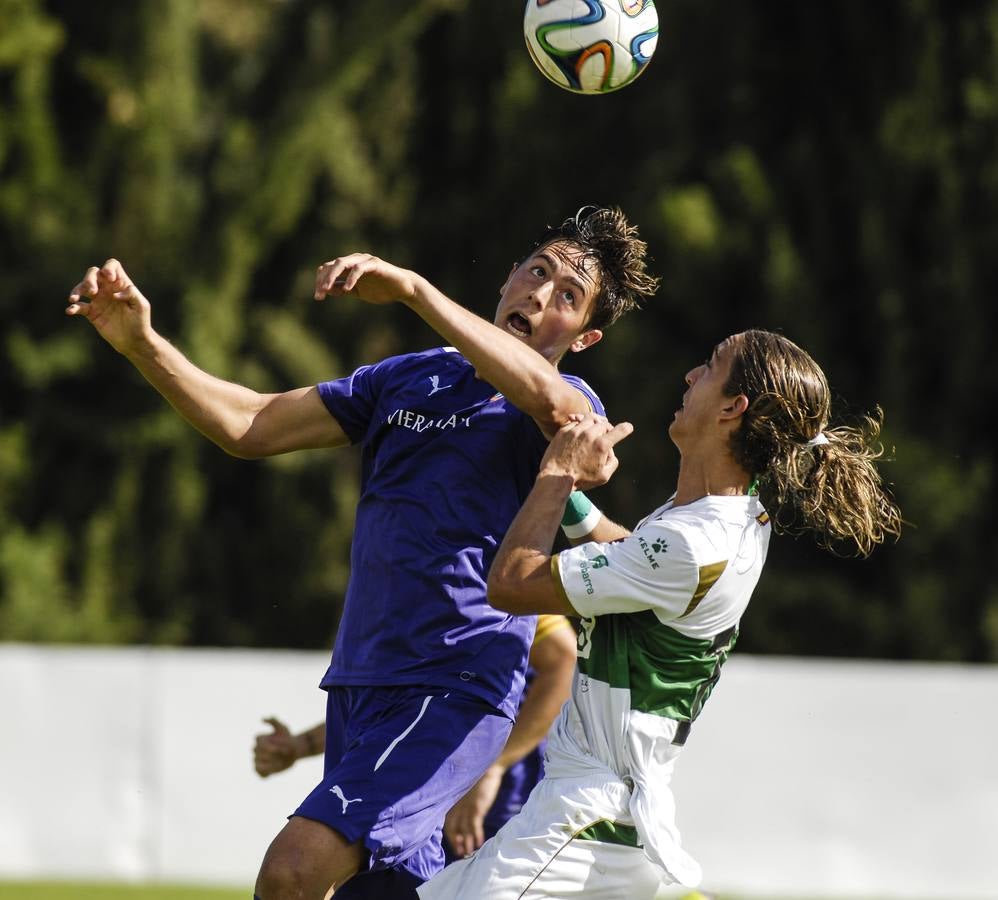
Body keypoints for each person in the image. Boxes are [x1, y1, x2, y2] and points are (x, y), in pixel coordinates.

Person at [65, 205, 659, 899]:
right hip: (361, 681)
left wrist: (413, 290)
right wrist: (141, 344)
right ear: (505, 279)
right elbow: (249, 424)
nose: (539, 293)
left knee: (292, 871)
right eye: (536, 271)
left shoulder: (563, 402)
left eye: (566, 296)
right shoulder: (409, 378)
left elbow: (553, 408)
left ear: (583, 337)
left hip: (454, 684)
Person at [418, 329, 903, 899]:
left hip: (586, 823)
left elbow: (511, 584)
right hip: (609, 819)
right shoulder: (725, 517)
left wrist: (556, 472)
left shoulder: (692, 543)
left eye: (710, 365)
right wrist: (568, 489)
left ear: (733, 407)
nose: (691, 376)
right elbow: (629, 559)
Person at [253, 614, 578, 862]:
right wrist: (301, 745)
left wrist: (495, 766)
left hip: (499, 794)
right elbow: (397, 716)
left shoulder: (475, 564)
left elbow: (562, 659)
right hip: (432, 785)